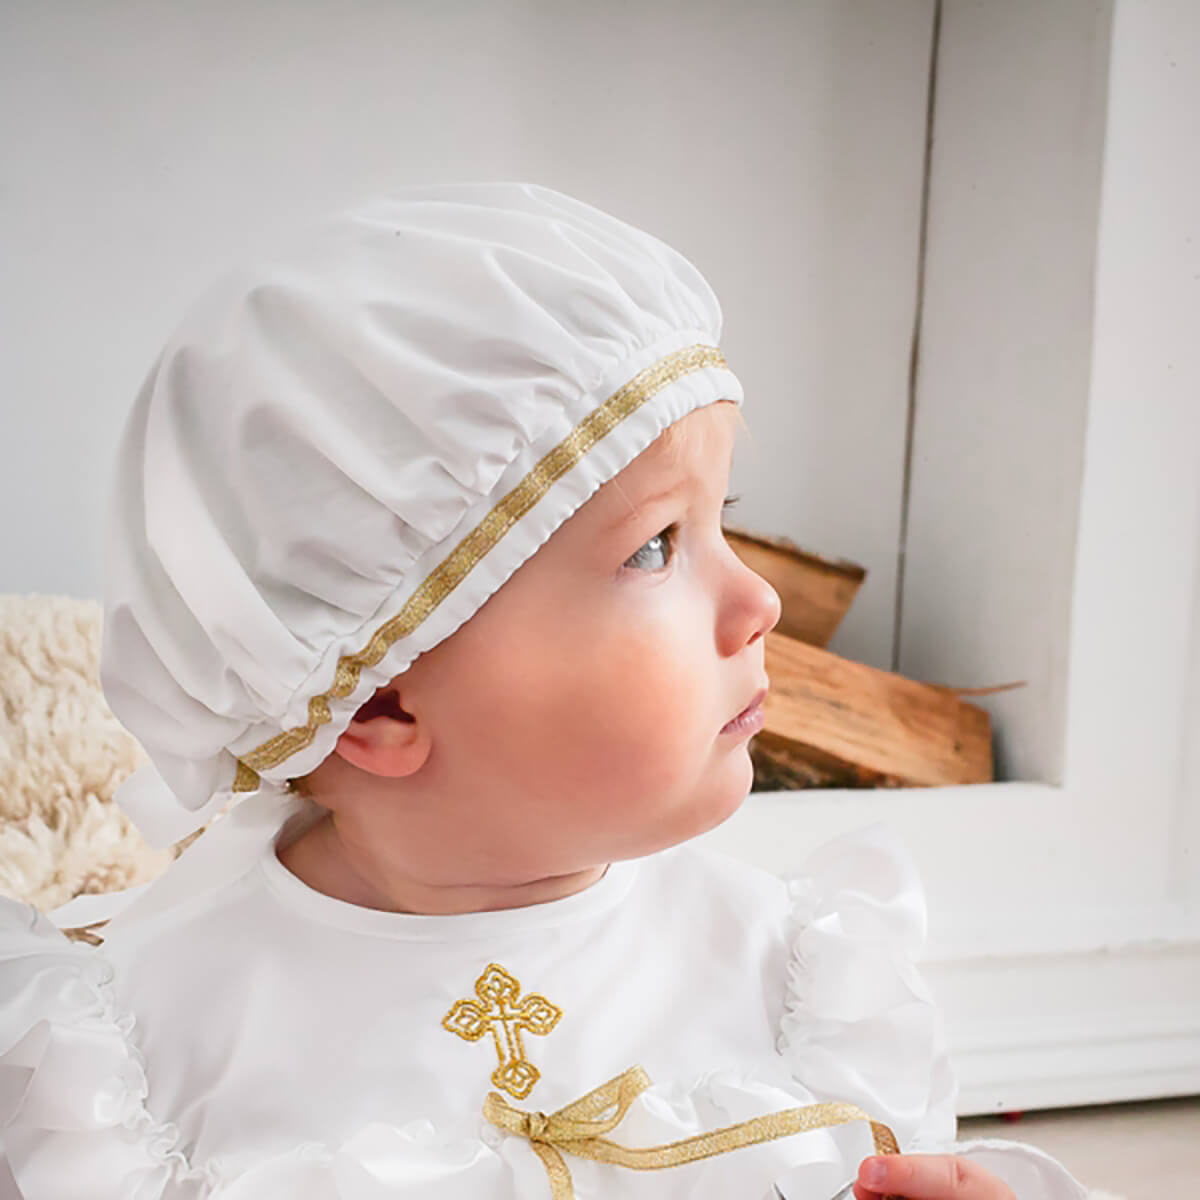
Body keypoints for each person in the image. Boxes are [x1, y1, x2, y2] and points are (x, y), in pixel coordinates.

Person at [0, 182, 1096, 1200]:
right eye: (658, 548)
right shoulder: (134, 1052)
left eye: (726, 521)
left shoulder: (797, 975)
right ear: (378, 701)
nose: (759, 598)